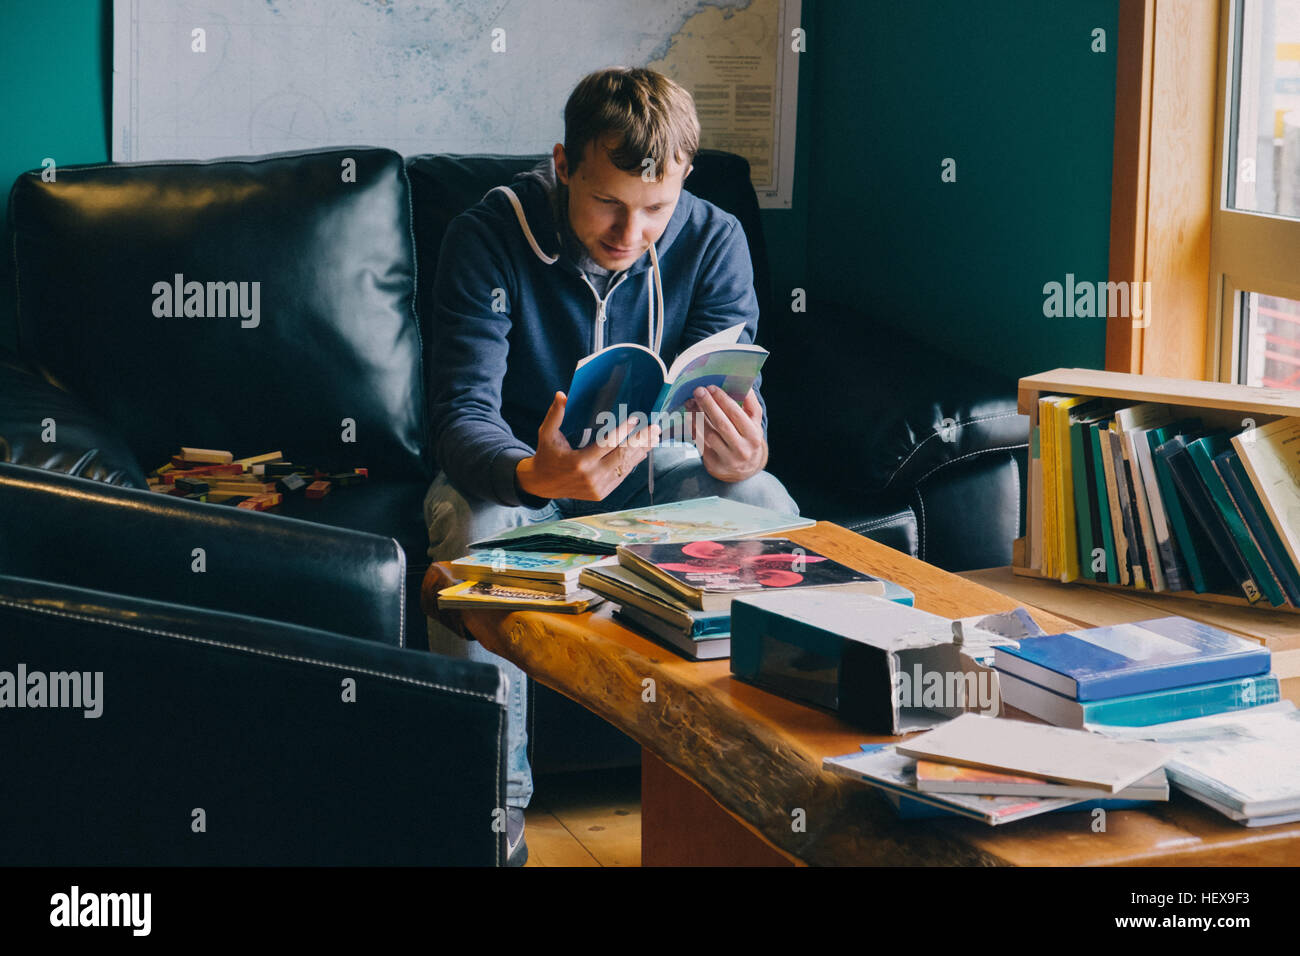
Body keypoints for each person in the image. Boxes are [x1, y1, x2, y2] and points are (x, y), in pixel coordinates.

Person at [423, 66, 800, 864]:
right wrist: (535, 476)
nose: (630, 233)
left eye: (655, 209)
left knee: (765, 499)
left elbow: (732, 391)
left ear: (685, 180)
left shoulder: (714, 238)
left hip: (655, 464)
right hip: (523, 476)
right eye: (607, 203)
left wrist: (746, 446)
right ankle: (489, 817)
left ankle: (767, 795)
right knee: (477, 529)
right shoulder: (488, 234)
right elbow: (461, 418)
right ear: (563, 163)